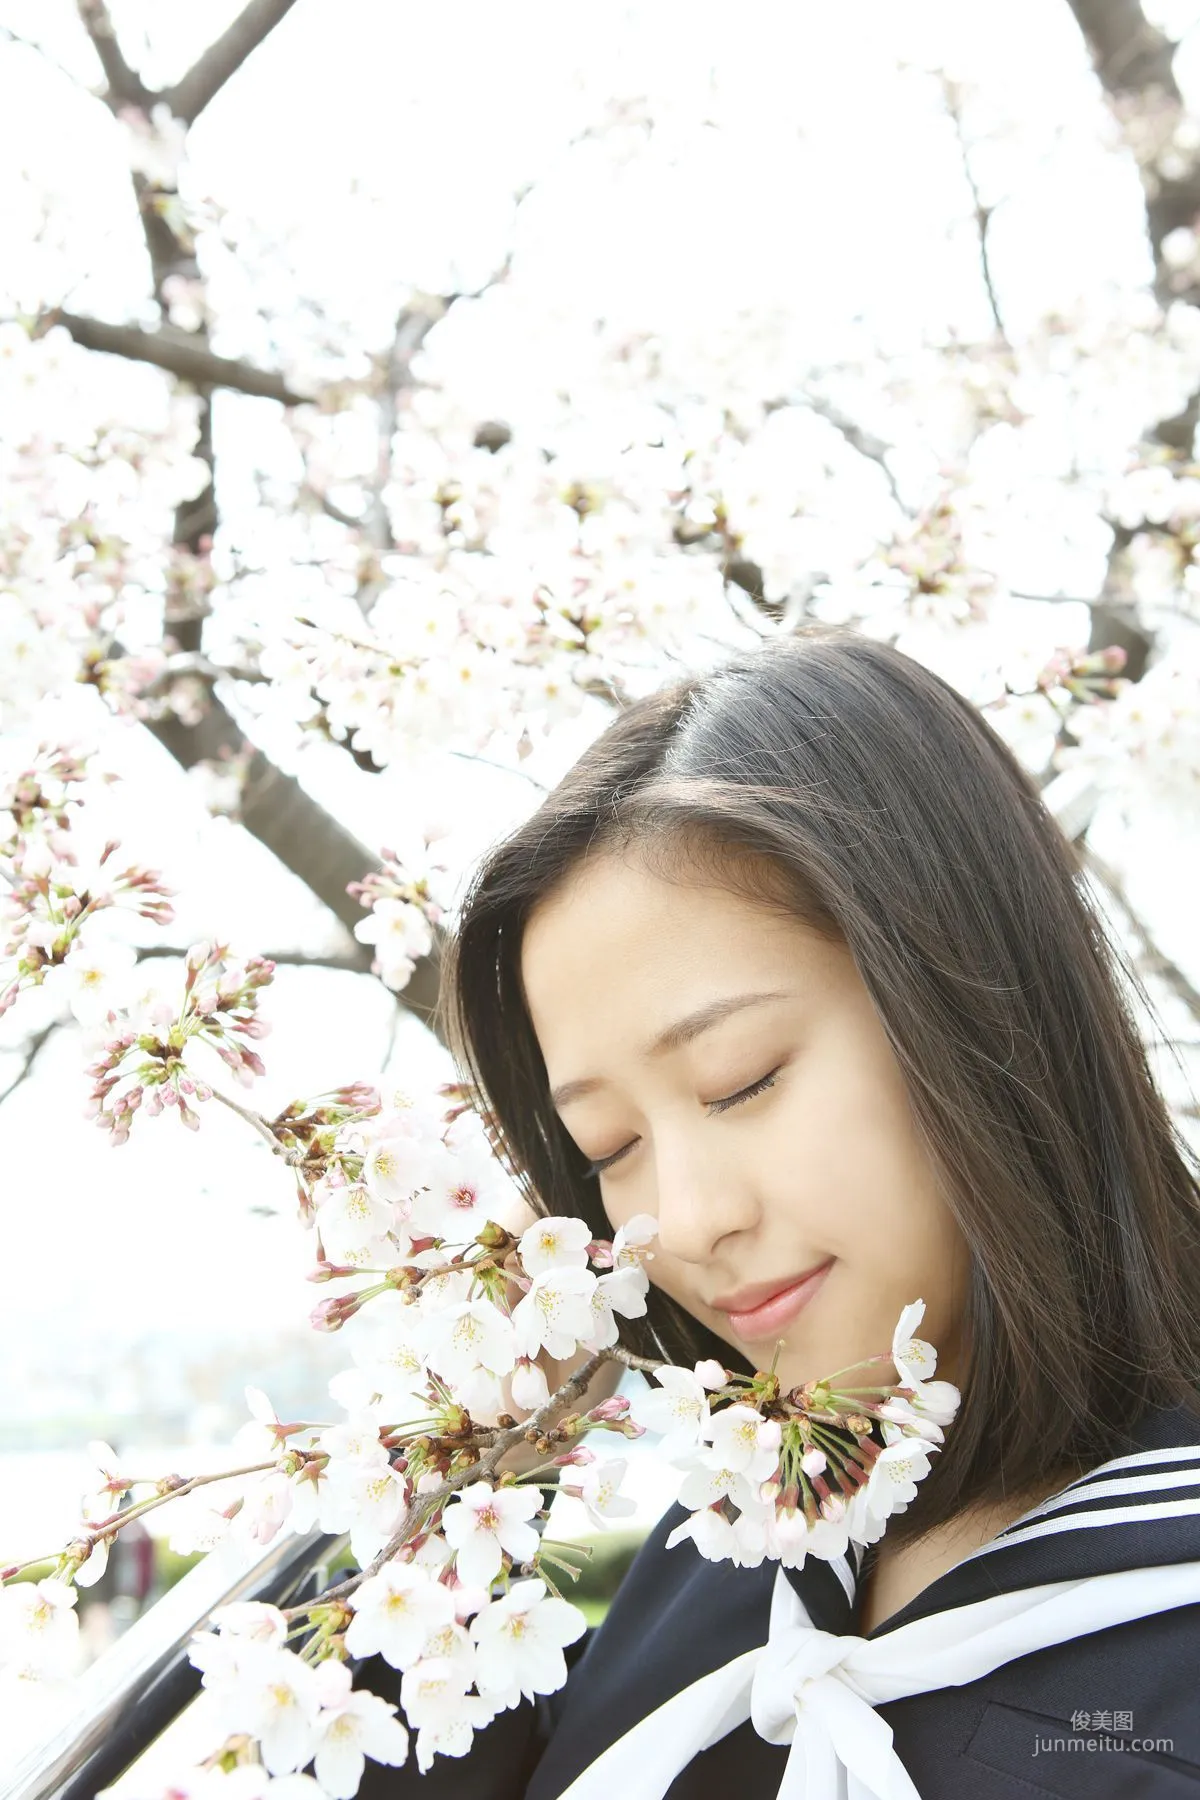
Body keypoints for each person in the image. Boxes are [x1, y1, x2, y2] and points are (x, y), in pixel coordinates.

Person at [360, 626, 1200, 1797]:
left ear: (978, 1011)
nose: (685, 1222)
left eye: (743, 1078)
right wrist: (469, 1483)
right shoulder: (740, 1545)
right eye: (610, 1146)